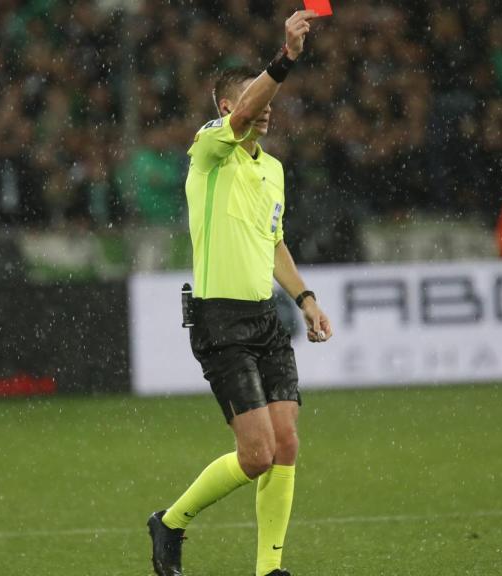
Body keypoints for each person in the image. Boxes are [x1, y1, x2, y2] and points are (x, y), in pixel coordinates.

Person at [147, 11, 332, 576]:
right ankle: (171, 522)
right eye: (253, 99)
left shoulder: (271, 169)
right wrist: (287, 57)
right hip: (220, 320)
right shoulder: (209, 151)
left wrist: (305, 299)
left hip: (265, 320)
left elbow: (274, 243)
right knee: (256, 456)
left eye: (269, 99)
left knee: (287, 445)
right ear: (226, 108)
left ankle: (268, 569)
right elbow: (253, 105)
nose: (265, 108)